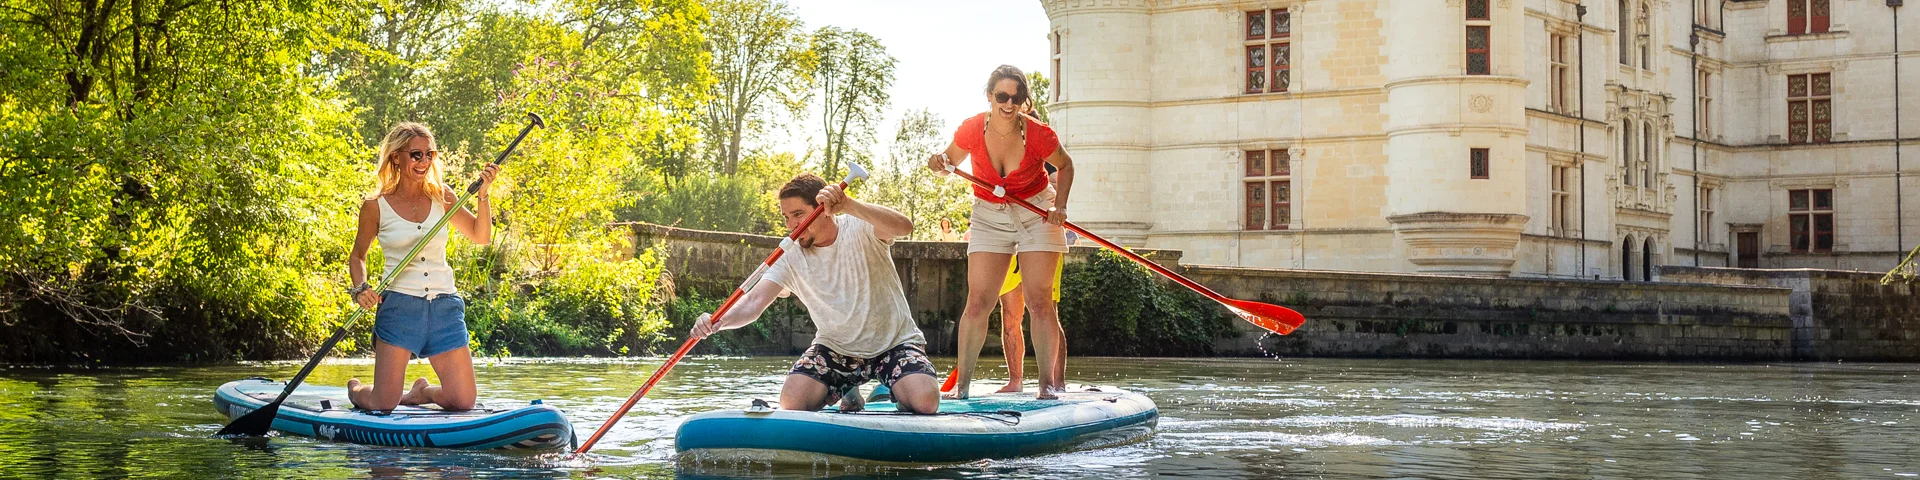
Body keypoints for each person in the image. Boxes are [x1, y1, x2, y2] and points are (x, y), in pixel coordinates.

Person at [688, 173, 940, 414]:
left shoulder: (860, 228)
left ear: (823, 208)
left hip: (895, 343)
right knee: (792, 402)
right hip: (836, 348)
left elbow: (904, 227)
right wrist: (718, 321)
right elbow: (754, 301)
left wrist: (849, 204)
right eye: (786, 217)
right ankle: (848, 388)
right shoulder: (789, 255)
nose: (791, 225)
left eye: (798, 214)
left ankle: (890, 390)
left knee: (925, 402)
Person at [928, 65, 1076, 400]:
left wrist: (1061, 207)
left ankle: (1046, 387)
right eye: (1001, 96)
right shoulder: (970, 129)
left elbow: (1066, 165)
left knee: (1040, 302)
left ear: (1024, 100)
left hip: (1037, 211)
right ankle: (962, 388)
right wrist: (936, 164)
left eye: (1016, 97)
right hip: (988, 215)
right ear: (989, 96)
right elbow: (946, 163)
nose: (1008, 103)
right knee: (978, 301)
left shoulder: (1039, 134)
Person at [345, 122, 499, 411]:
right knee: (383, 403)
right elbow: (358, 257)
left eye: (430, 154)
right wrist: (360, 289)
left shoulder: (443, 196)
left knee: (463, 401)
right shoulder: (376, 205)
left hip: (444, 307)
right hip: (400, 307)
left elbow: (481, 236)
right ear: (396, 157)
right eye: (416, 154)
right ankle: (356, 391)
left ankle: (423, 392)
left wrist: (484, 194)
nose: (424, 161)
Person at [992, 168, 1067, 394]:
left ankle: (1056, 382)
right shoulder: (998, 161)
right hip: (1008, 241)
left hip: (1042, 239)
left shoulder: (1044, 167)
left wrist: (1057, 205)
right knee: (1010, 314)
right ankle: (1016, 381)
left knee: (1046, 310)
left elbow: (1058, 183)